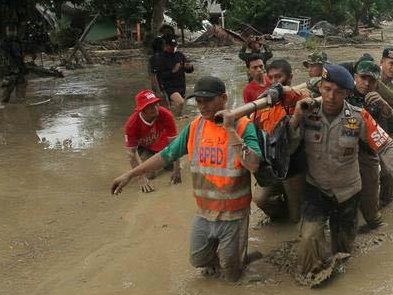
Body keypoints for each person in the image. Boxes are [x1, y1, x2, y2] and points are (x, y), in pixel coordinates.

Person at [111, 77, 262, 282]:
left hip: (233, 214)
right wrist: (131, 174)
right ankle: (234, 257)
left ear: (224, 98)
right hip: (204, 211)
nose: (202, 106)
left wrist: (230, 131)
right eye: (198, 101)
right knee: (198, 260)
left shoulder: (244, 126)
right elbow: (166, 154)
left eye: (207, 101)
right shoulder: (195, 127)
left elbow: (254, 164)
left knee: (231, 275)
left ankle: (237, 262)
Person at [288, 64, 393, 276]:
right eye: (327, 89)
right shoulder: (306, 114)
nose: (331, 96)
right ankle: (308, 282)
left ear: (347, 93)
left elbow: (385, 145)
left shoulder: (359, 117)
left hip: (348, 193)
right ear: (321, 88)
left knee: (343, 249)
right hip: (316, 188)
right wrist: (296, 119)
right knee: (308, 239)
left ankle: (338, 277)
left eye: (338, 92)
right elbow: (286, 147)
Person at [250, 59, 308, 223]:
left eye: (278, 77)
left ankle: (293, 227)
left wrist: (283, 90)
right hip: (271, 162)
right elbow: (253, 129)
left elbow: (304, 97)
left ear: (290, 77)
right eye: (271, 77)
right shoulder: (264, 102)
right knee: (261, 199)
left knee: (296, 213)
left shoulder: (299, 98)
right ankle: (280, 218)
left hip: (294, 163)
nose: (274, 81)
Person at [349, 60, 393, 230]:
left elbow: (392, 129)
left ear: (377, 83)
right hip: (344, 152)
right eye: (363, 78)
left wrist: (384, 106)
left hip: (368, 153)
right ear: (355, 77)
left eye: (371, 80)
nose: (366, 83)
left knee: (371, 206)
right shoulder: (343, 93)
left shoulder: (378, 99)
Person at [123, 90, 181, 192]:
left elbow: (175, 143)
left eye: (155, 104)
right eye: (150, 106)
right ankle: (151, 162)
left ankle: (158, 161)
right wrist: (140, 178)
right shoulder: (132, 124)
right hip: (144, 147)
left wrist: (177, 170)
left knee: (171, 168)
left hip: (163, 144)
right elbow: (131, 153)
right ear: (142, 109)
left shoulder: (166, 115)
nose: (155, 108)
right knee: (149, 174)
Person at [149, 37, 193, 116]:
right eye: (170, 46)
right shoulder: (160, 58)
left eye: (174, 46)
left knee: (175, 106)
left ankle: (175, 119)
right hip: (169, 86)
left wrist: (189, 67)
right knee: (180, 102)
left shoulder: (180, 55)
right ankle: (176, 118)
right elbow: (160, 75)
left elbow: (189, 70)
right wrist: (173, 71)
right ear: (165, 46)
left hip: (181, 86)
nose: (173, 48)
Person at [0, 24, 28, 103]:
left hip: (16, 70)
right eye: (11, 31)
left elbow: (20, 56)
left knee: (19, 95)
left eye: (13, 31)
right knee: (6, 94)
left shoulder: (17, 41)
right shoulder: (5, 43)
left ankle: (17, 109)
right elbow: (6, 57)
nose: (12, 33)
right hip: (10, 70)